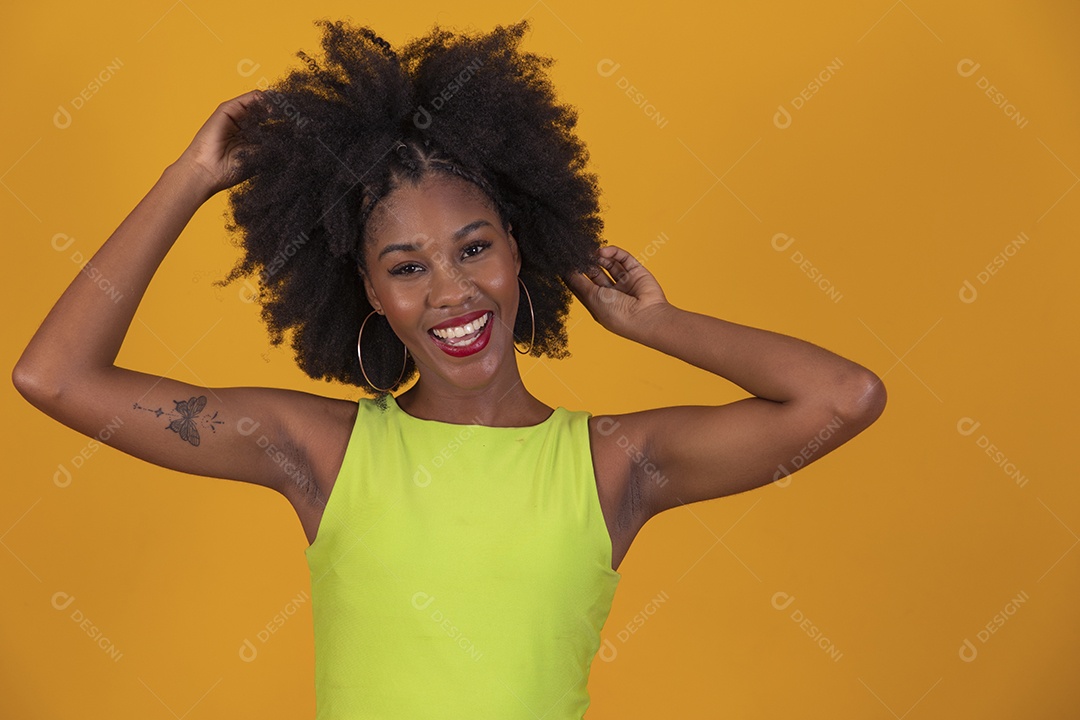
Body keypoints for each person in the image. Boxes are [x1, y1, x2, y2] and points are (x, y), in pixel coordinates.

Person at [12, 18, 886, 719]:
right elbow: (55, 377)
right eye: (407, 266)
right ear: (369, 290)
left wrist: (650, 322)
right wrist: (189, 176)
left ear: (522, 246)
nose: (452, 292)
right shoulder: (319, 451)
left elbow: (845, 397)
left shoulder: (616, 465)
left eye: (475, 248)